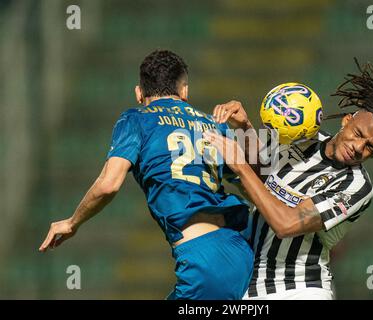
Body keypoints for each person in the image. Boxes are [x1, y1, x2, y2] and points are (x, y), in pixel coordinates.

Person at [39, 50, 253, 300]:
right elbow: (251, 185)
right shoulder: (214, 124)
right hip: (242, 249)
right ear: (184, 91)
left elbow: (108, 185)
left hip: (202, 260)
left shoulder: (135, 120)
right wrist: (248, 128)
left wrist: (72, 222)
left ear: (139, 93)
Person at [204, 60, 373, 300]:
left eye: (371, 148)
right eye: (358, 134)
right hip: (248, 285)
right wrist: (244, 126)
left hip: (300, 289)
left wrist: (240, 166)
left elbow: (286, 224)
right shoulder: (303, 137)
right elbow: (265, 180)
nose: (358, 147)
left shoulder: (356, 186)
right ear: (347, 120)